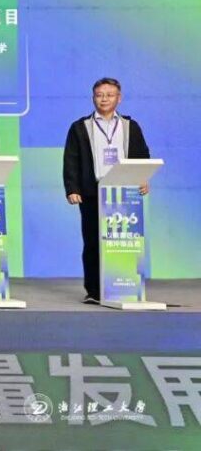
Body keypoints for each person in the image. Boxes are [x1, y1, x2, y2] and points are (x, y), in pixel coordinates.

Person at [63, 77, 150, 304]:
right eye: (99, 95)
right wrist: (72, 188)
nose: (104, 99)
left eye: (109, 95)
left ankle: (125, 285)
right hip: (92, 192)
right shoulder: (80, 126)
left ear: (119, 98)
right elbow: (71, 159)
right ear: (93, 98)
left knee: (125, 240)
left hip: (125, 192)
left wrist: (143, 178)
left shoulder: (130, 126)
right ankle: (94, 290)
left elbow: (142, 155)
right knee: (93, 241)